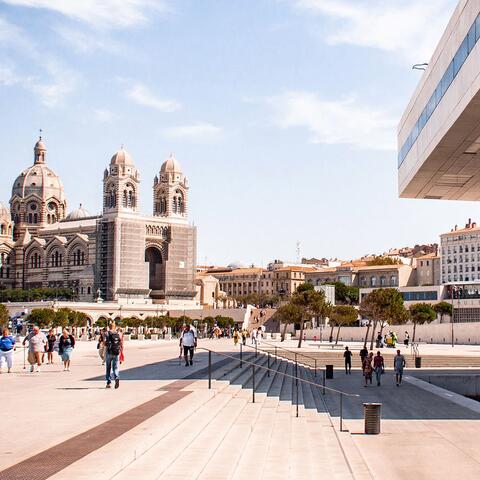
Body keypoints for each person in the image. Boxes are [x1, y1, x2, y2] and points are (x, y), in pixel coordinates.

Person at [105, 322, 122, 389]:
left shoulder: (107, 333)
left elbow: (104, 342)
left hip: (109, 352)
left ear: (109, 326)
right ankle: (117, 377)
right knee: (115, 367)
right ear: (115, 327)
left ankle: (109, 382)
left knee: (108, 367)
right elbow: (120, 343)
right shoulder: (118, 333)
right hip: (116, 352)